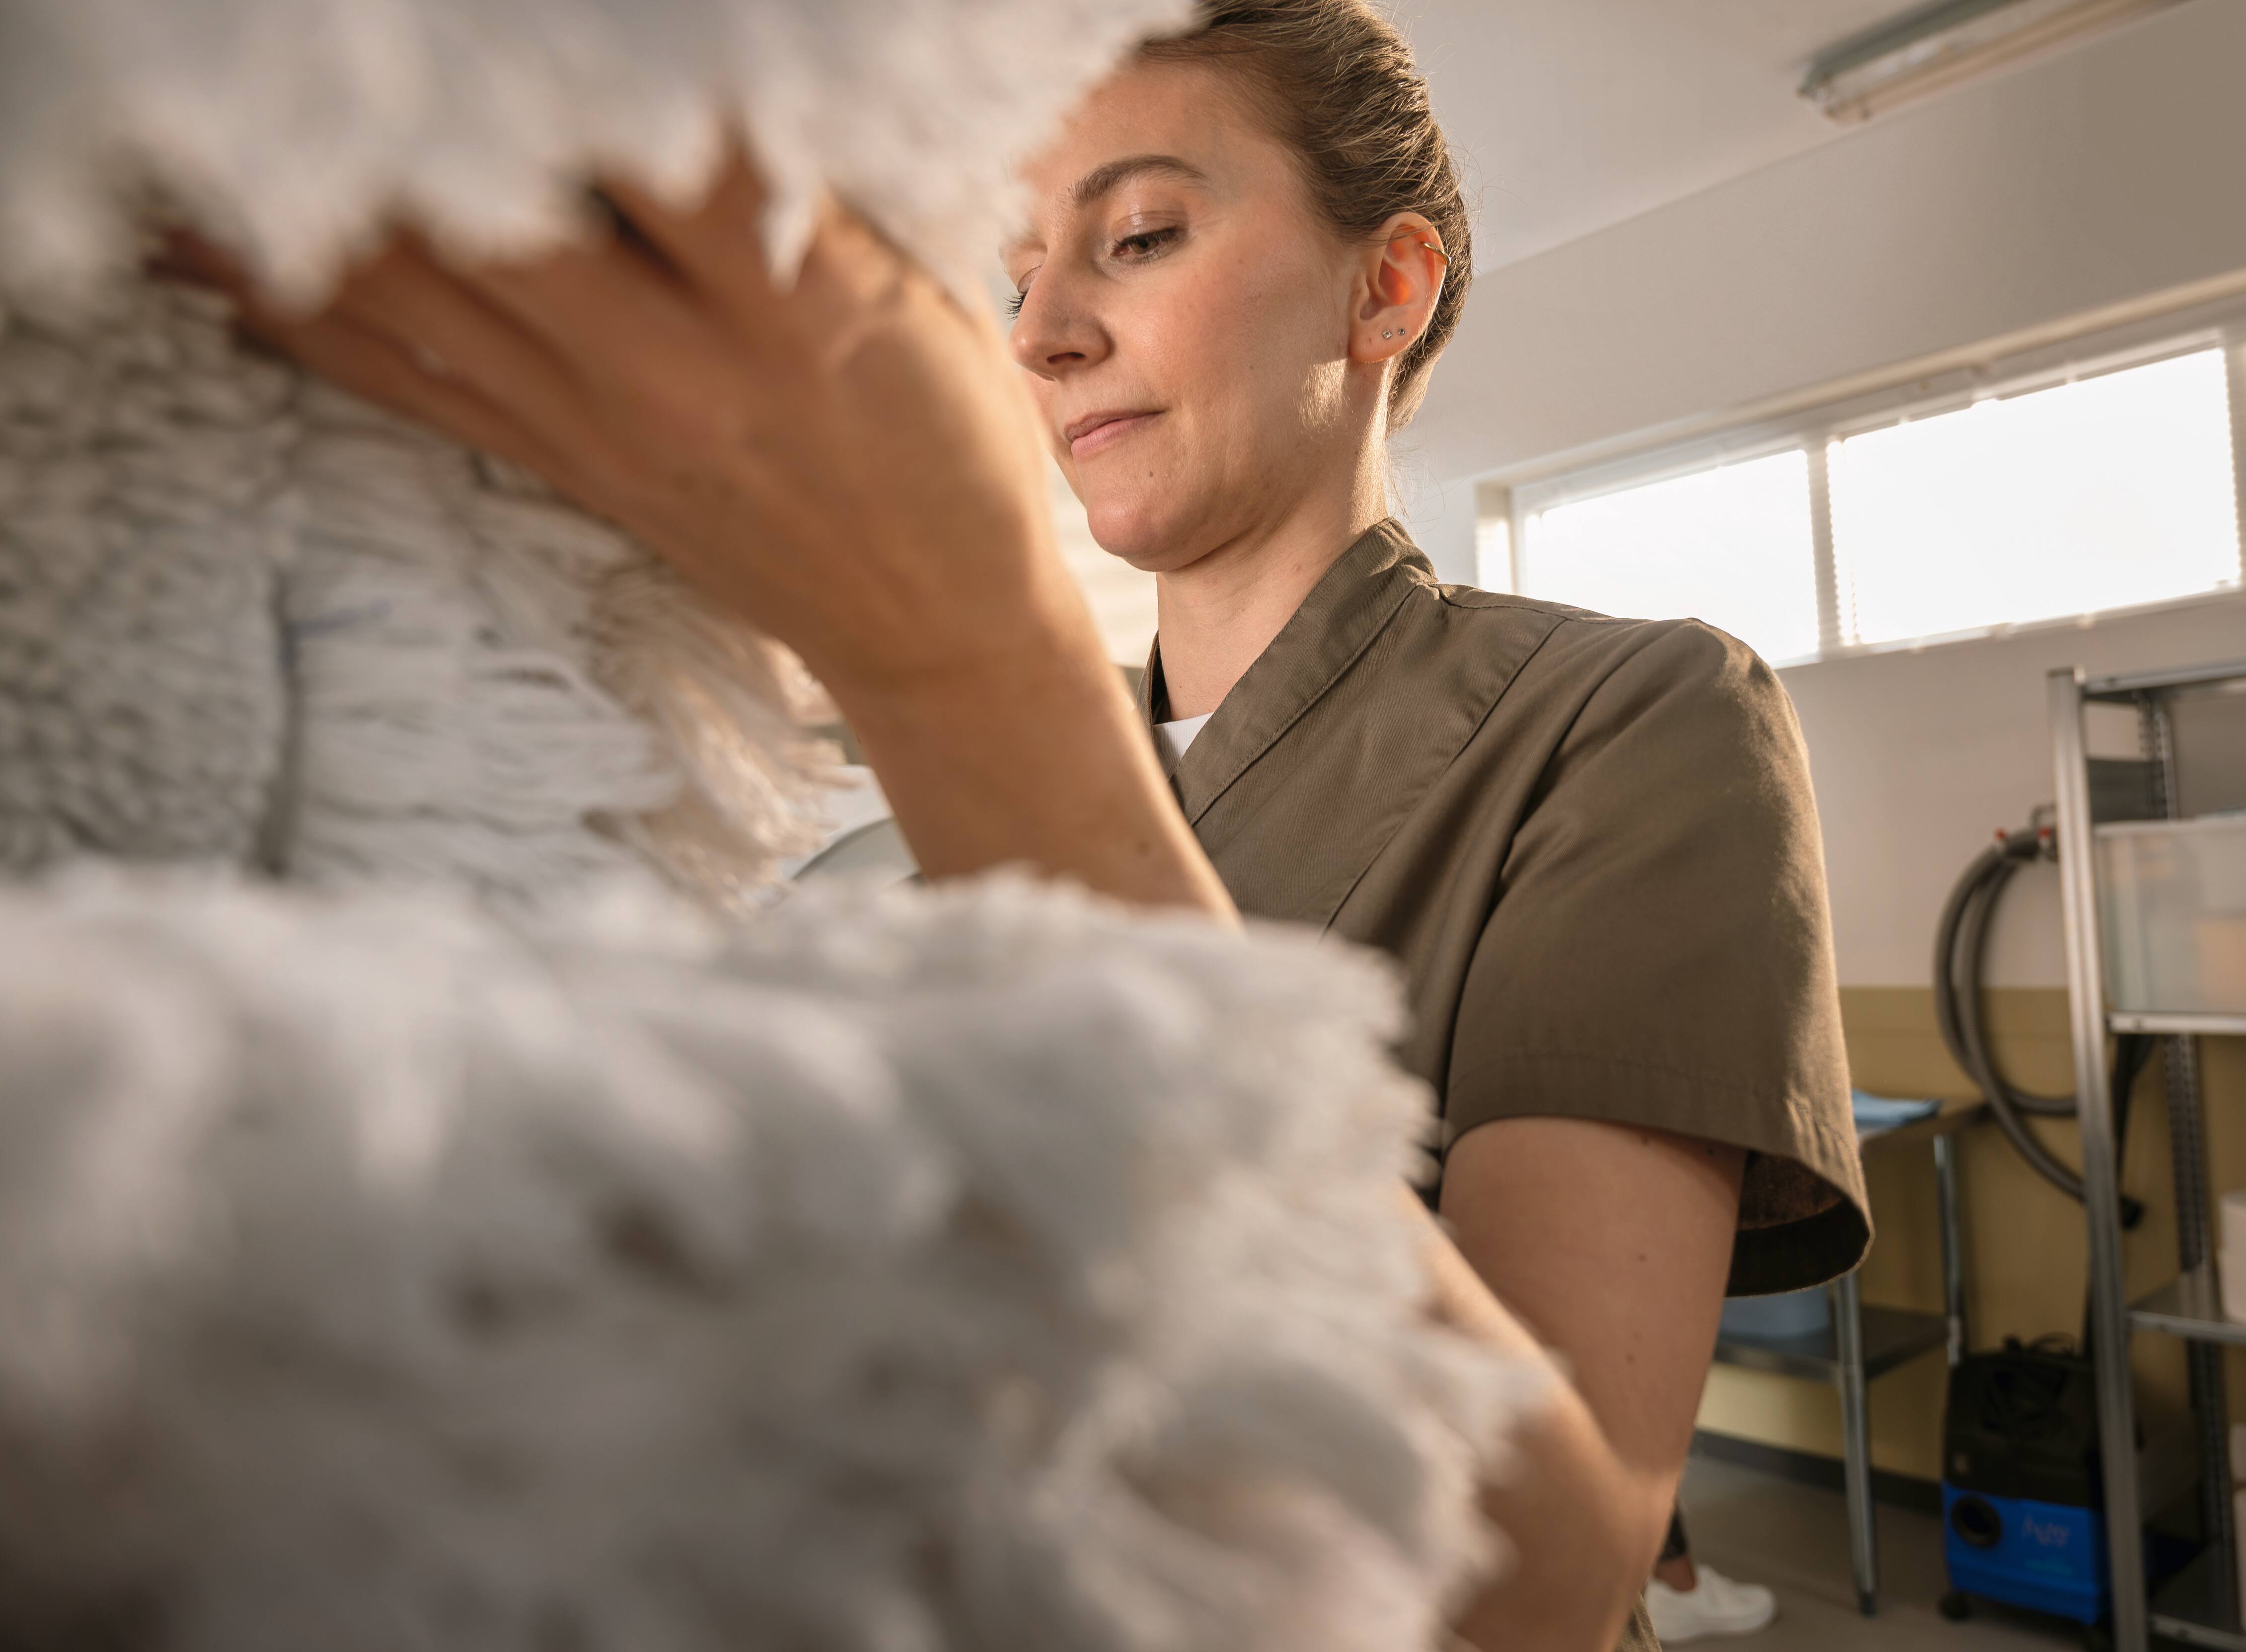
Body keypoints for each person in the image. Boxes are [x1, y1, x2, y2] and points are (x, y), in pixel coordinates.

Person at [193, 4, 1867, 1646]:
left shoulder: (1634, 720)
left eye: (1137, 236)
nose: (1039, 328)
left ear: (1387, 288)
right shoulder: (930, 845)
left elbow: (1542, 1583)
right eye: (1013, 275)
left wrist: (966, 666)